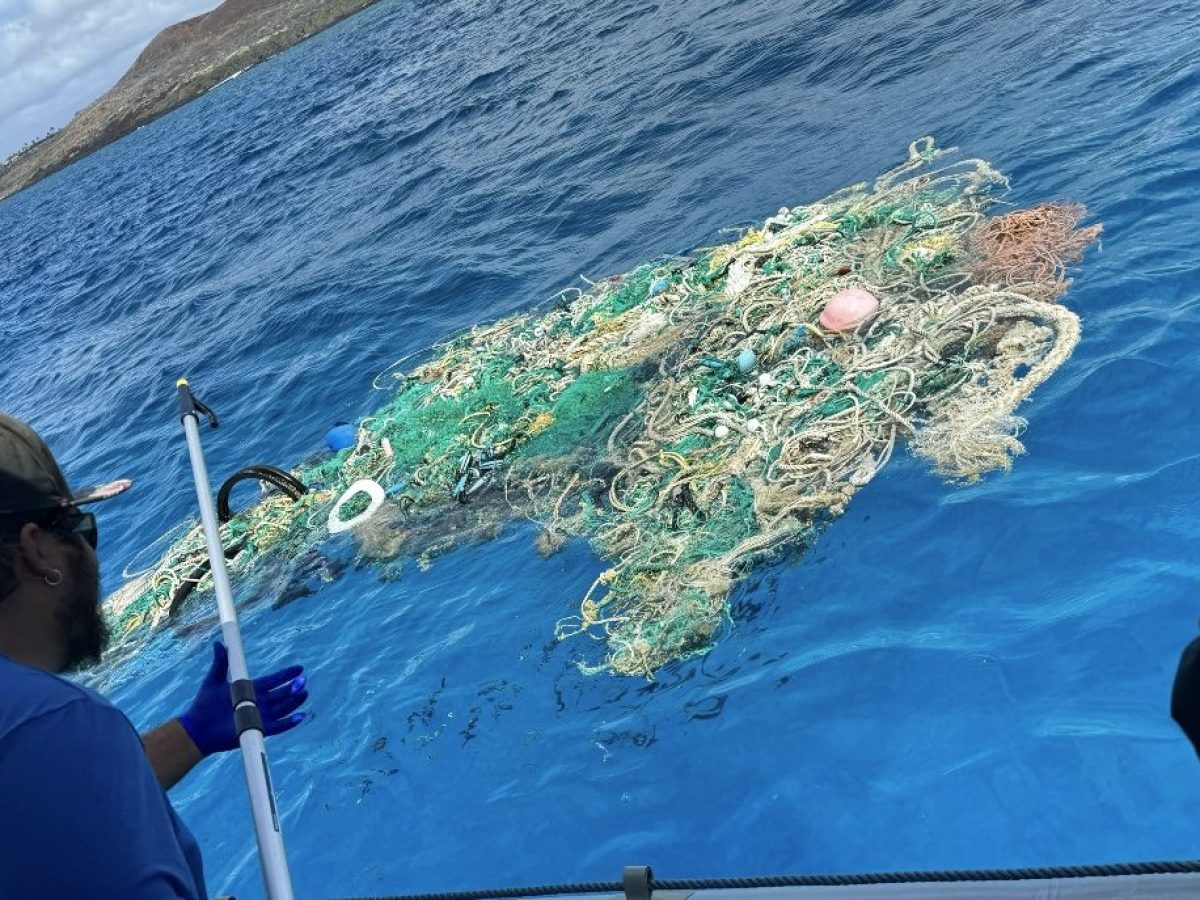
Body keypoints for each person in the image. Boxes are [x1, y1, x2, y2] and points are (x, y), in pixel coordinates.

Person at [0, 411, 309, 898]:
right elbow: (51, 759)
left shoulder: (35, 736)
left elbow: (53, 802)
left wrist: (191, 734)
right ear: (37, 549)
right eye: (82, 526)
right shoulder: (57, 723)